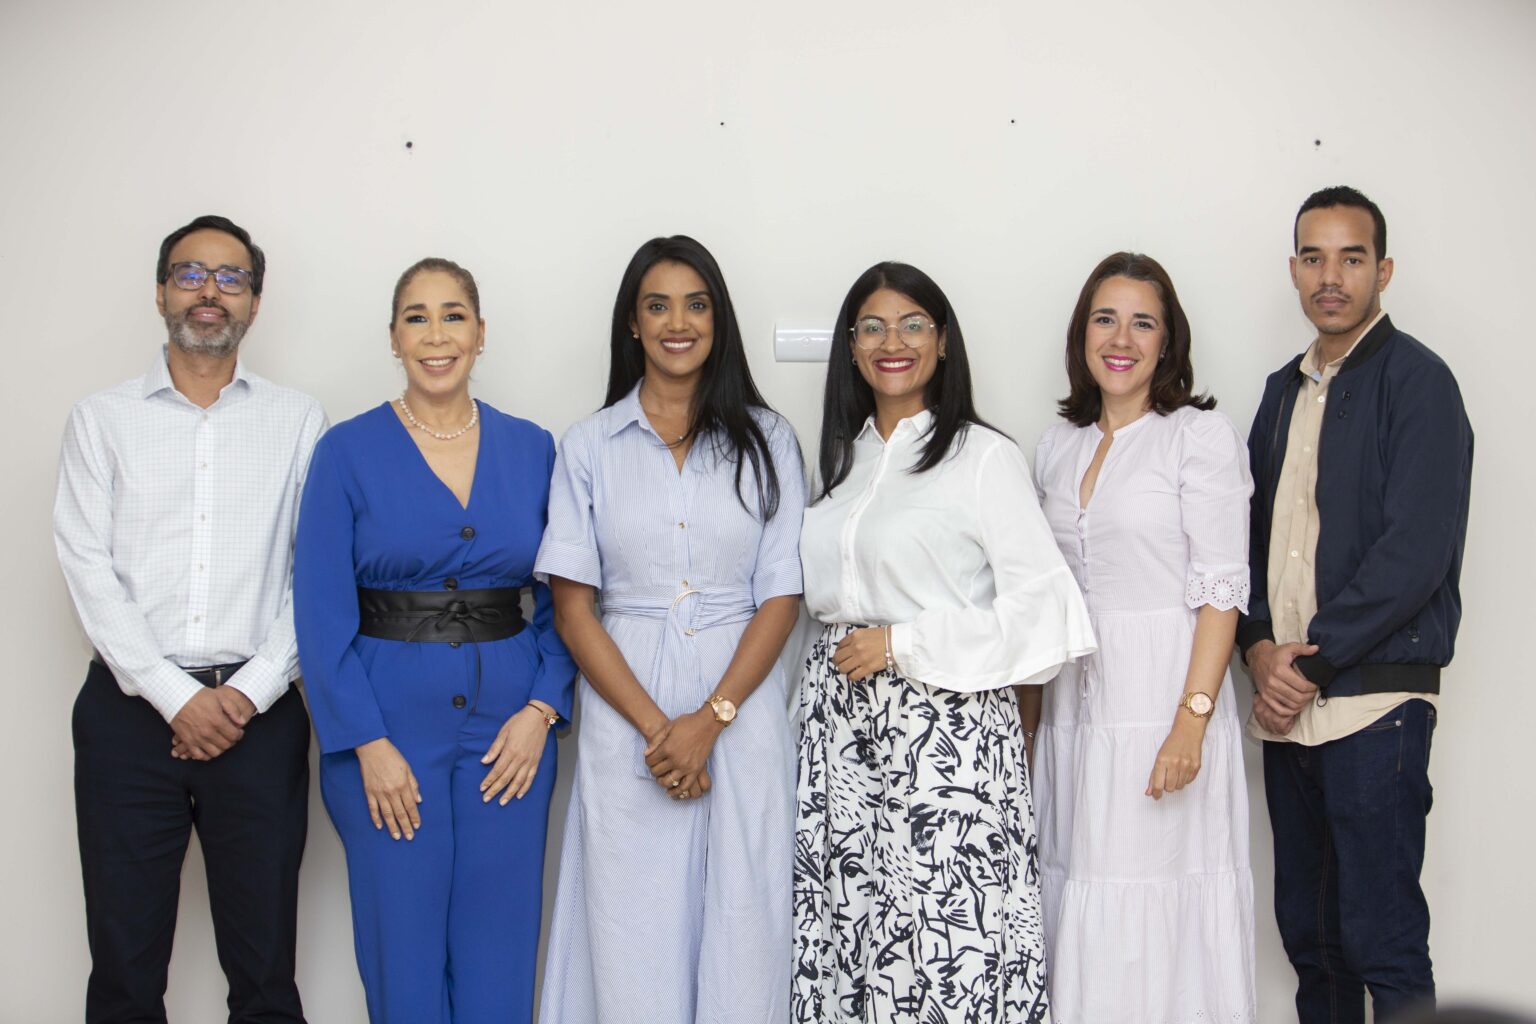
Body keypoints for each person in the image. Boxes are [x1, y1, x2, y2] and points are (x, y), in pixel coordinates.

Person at [793, 261, 1096, 1024]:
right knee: (855, 943)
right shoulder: (845, 461)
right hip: (843, 741)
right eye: (872, 327)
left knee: (945, 946)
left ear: (944, 340)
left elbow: (1045, 614)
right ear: (851, 347)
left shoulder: (982, 457)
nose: (892, 342)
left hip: (944, 742)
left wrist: (904, 643)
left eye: (912, 324)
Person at [54, 214, 324, 1023]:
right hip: (128, 718)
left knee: (266, 973)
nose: (210, 291)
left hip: (260, 719)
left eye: (231, 277)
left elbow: (313, 574)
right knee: (125, 974)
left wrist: (245, 694)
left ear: (255, 302)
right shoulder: (101, 419)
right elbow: (87, 568)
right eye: (191, 273)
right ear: (161, 292)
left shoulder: (299, 420)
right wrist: (177, 697)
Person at [293, 258, 575, 1024]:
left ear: (481, 333)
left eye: (453, 316)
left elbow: (566, 599)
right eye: (416, 318)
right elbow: (318, 614)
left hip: (510, 742)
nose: (436, 335)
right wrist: (365, 742)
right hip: (386, 739)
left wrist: (542, 710)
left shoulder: (534, 448)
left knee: (499, 957)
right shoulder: (345, 452)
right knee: (404, 961)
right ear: (393, 338)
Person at [535, 235, 806, 1024]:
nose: (677, 323)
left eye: (696, 305)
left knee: (744, 919)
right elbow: (573, 609)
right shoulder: (588, 445)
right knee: (632, 926)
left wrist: (710, 721)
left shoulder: (770, 439)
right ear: (633, 322)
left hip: (742, 704)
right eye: (658, 306)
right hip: (629, 710)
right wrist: (664, 732)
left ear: (718, 319)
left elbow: (781, 595)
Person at [1239, 186, 1473, 1023]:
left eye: (1351, 258)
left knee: (1385, 942)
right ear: (1294, 269)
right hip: (1287, 710)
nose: (1330, 277)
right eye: (1314, 257)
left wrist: (1312, 664)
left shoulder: (1420, 382)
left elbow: (1415, 554)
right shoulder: (1281, 391)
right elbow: (1247, 537)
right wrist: (1259, 648)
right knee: (1315, 944)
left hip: (1375, 707)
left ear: (1384, 270)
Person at [1031, 252, 1257, 1022]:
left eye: (1142, 322)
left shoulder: (1198, 436)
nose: (1121, 339)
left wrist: (1190, 723)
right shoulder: (1056, 445)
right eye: (1105, 318)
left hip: (1164, 700)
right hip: (1075, 707)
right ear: (1081, 334)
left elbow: (1221, 591)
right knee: (1080, 889)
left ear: (1168, 341)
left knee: (1157, 896)